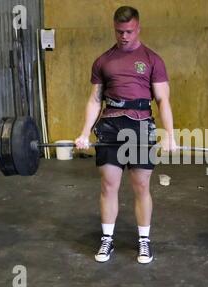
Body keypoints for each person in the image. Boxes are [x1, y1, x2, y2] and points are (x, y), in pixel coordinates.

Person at [75, 6, 177, 264]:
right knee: (109, 185)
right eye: (120, 31)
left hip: (141, 126)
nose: (124, 36)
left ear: (138, 28)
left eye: (129, 31)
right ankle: (107, 239)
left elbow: (163, 100)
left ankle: (144, 242)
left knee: (141, 185)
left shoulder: (153, 59)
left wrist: (170, 135)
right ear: (114, 29)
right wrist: (84, 133)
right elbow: (95, 100)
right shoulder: (103, 61)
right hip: (110, 125)